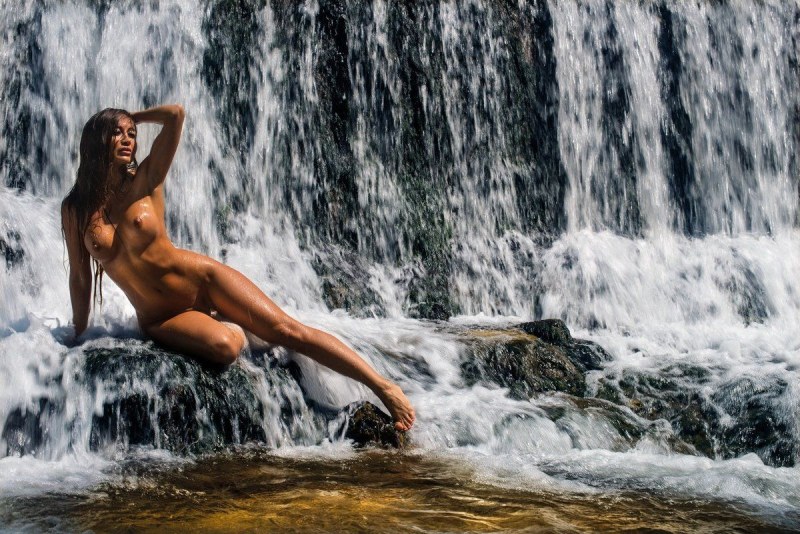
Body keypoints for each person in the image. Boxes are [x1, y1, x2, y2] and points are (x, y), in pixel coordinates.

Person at [61, 105, 415, 431]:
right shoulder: (76, 209)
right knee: (227, 346)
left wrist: (132, 117)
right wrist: (78, 336)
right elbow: (80, 277)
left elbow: (175, 115)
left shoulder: (147, 179)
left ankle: (382, 386)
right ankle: (227, 321)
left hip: (201, 279)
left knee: (287, 329)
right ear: (97, 139)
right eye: (117, 133)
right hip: (159, 318)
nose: (127, 140)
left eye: (131, 134)